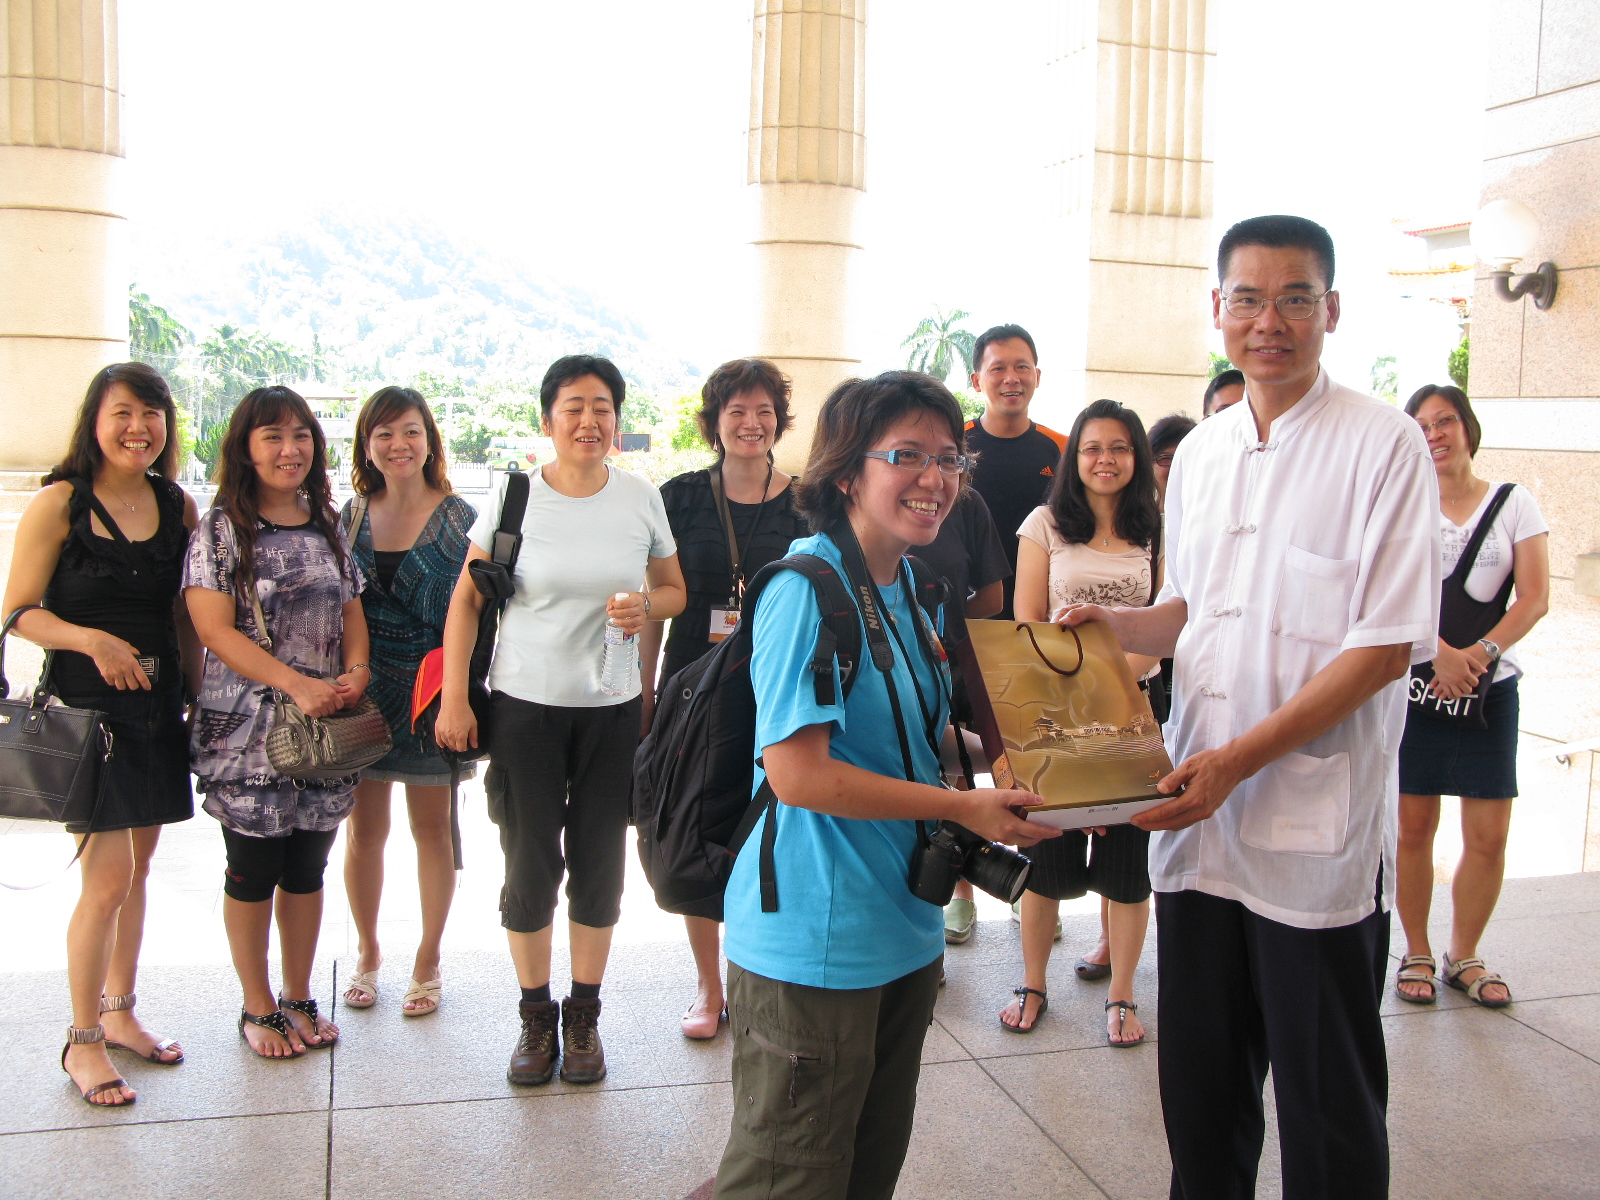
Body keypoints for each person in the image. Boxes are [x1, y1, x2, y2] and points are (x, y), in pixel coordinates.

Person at [1063, 215, 1439, 1199]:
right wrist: (1113, 630)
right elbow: (1189, 609)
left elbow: (1382, 648)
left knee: (1327, 1109)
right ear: (1216, 309)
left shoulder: (1383, 444)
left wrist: (1236, 763)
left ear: (1331, 310)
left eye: (1293, 298)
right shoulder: (1201, 454)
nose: (1267, 321)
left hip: (1308, 838)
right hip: (1195, 826)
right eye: (1247, 298)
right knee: (1201, 1098)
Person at [710, 369, 1057, 1200]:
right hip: (816, 933)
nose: (935, 479)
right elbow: (798, 774)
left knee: (867, 1169)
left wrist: (1026, 770)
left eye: (950, 457)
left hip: (902, 919)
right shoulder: (805, 588)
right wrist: (960, 808)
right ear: (844, 473)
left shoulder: (910, 586)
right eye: (907, 455)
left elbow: (909, 733)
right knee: (788, 1178)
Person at [435, 354, 687, 1086]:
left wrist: (650, 606)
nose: (589, 420)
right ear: (547, 421)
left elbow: (673, 589)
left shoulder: (640, 497)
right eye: (573, 406)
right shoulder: (515, 497)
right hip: (524, 709)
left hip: (610, 710)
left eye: (602, 406)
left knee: (601, 866)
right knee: (529, 863)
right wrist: (456, 696)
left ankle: (584, 1017)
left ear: (618, 420)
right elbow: (466, 601)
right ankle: (534, 1015)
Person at [3, 364, 199, 1106]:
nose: (137, 428)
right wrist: (93, 640)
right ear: (95, 419)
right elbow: (19, 611)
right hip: (91, 717)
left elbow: (187, 612)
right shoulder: (60, 503)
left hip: (158, 710)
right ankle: (81, 1040)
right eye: (123, 413)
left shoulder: (175, 503)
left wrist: (200, 689)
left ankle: (120, 1012)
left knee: (139, 869)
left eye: (151, 415)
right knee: (107, 879)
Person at [184, 386, 369, 1059]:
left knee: (307, 868)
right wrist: (296, 683)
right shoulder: (223, 528)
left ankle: (297, 994)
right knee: (252, 867)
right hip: (249, 733)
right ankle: (257, 1004)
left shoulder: (324, 520)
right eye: (272, 437)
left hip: (326, 730)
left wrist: (357, 671)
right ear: (246, 449)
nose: (289, 449)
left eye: (299, 435)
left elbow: (351, 607)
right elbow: (211, 627)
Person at [639, 358, 810, 1041]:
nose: (751, 423)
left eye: (764, 410)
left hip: (777, 688)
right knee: (697, 831)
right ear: (714, 423)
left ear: (779, 420)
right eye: (737, 411)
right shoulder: (677, 497)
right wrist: (646, 691)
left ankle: (760, 973)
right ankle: (710, 987)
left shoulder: (808, 501)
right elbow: (655, 604)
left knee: (777, 831)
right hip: (692, 689)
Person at [999, 399, 1162, 1045]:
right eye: (1092, 447)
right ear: (1074, 458)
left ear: (1137, 458)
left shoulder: (1158, 530)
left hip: (1135, 711)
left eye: (1119, 448)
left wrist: (1117, 677)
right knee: (1046, 851)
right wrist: (1082, 682)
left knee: (1128, 859)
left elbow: (1167, 619)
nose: (1105, 459)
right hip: (1056, 711)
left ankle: (1122, 993)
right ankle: (1032, 981)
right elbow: (1029, 620)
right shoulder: (1044, 524)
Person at [1393, 384, 1549, 1008]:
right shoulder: (1402, 508)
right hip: (1415, 687)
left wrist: (1479, 657)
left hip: (1491, 693)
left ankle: (1465, 953)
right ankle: (1417, 951)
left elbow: (1534, 597)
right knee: (1412, 829)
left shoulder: (1515, 504)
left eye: (1446, 422)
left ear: (1468, 428)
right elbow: (1386, 591)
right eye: (1422, 426)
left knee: (1488, 833)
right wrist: (1438, 655)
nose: (1435, 435)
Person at [338, 387, 478, 1016]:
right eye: (385, 434)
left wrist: (458, 696)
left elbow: (477, 612)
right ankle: (367, 953)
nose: (400, 445)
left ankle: (427, 959)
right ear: (367, 444)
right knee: (364, 831)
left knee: (431, 832)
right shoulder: (349, 517)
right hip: (363, 694)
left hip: (431, 695)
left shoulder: (462, 518)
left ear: (430, 440)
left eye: (412, 432)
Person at [918, 488, 1011, 946]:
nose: (930, 477)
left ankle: (969, 883)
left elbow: (992, 597)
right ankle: (940, 908)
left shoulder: (968, 503)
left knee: (954, 775)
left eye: (947, 457)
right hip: (883, 667)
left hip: (949, 662)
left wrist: (942, 624)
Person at [962, 324, 1066, 619]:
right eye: (997, 369)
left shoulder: (1063, 449)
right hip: (971, 611)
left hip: (1045, 613)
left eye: (1022, 366)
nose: (1012, 378)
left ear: (1037, 376)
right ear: (977, 381)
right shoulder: (953, 448)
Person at [1147, 413, 1196, 510]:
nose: (1176, 467)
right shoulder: (1134, 522)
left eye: (1186, 458)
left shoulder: (1217, 520)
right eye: (1166, 459)